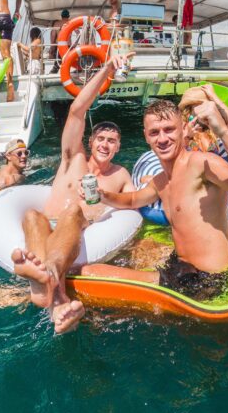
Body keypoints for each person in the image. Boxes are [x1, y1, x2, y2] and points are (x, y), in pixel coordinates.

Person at [81, 99, 228, 300]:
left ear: (183, 129)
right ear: (146, 136)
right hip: (180, 267)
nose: (162, 139)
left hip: (206, 280)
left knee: (89, 272)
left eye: (169, 129)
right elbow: (133, 199)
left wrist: (224, 132)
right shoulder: (161, 181)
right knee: (138, 249)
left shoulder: (201, 163)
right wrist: (103, 195)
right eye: (154, 132)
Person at [10, 53, 135, 333]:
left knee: (75, 211)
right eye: (100, 138)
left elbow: (134, 204)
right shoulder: (74, 159)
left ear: (118, 147)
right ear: (89, 141)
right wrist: (107, 70)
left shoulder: (120, 176)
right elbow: (77, 110)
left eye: (112, 141)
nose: (105, 144)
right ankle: (55, 295)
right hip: (48, 228)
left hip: (78, 230)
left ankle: (47, 278)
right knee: (31, 215)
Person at [49, 9, 70, 74]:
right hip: (68, 46)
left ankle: (54, 72)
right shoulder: (71, 22)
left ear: (61, 16)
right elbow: (78, 33)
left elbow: (53, 36)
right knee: (68, 61)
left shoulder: (57, 24)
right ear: (68, 16)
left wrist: (52, 48)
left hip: (59, 46)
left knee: (58, 62)